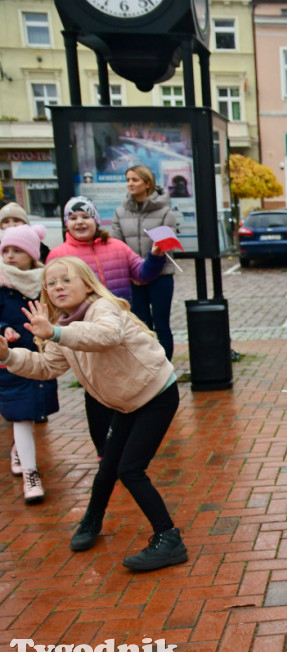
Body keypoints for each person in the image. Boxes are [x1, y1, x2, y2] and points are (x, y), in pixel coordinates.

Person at [0, 256, 187, 571]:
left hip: (155, 394)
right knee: (107, 467)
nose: (58, 287)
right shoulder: (61, 325)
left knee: (130, 470)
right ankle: (91, 521)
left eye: (66, 280)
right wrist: (8, 355)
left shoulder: (102, 307)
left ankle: (169, 538)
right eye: (51, 283)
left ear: (86, 283)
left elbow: (105, 336)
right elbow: (46, 366)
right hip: (126, 403)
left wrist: (56, 334)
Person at [49, 196, 166, 460]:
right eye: (73, 217)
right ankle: (105, 451)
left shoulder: (117, 246)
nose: (80, 222)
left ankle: (130, 445)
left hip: (119, 331)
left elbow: (142, 274)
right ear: (66, 224)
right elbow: (52, 296)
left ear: (95, 220)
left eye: (85, 216)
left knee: (128, 382)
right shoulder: (58, 255)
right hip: (84, 334)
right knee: (96, 391)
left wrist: (155, 256)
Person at [0, 224, 58, 503]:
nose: (10, 256)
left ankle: (18, 450)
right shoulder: (1, 283)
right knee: (21, 413)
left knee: (34, 412)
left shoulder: (43, 281)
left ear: (31, 255)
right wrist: (4, 330)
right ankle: (30, 475)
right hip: (10, 358)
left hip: (41, 357)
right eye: (6, 250)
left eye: (17, 250)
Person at [111, 165, 179, 360]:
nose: (130, 184)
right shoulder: (120, 212)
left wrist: (149, 270)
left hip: (161, 276)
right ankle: (147, 364)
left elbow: (167, 246)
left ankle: (165, 366)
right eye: (128, 180)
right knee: (140, 324)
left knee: (161, 323)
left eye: (135, 180)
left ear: (147, 183)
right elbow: (117, 244)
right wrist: (136, 272)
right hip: (133, 278)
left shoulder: (166, 212)